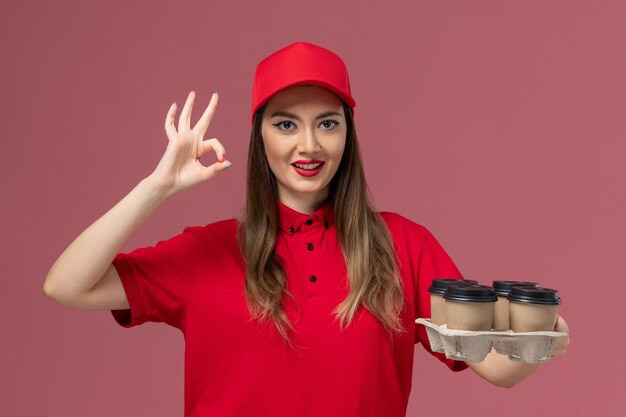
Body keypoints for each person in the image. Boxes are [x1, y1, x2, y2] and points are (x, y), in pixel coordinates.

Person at [44, 41, 570, 417]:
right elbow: (65, 285)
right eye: (286, 123)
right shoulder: (207, 251)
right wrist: (156, 187)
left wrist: (550, 334)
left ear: (347, 134)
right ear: (260, 138)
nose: (309, 146)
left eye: (328, 122)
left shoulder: (402, 246)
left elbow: (498, 369)